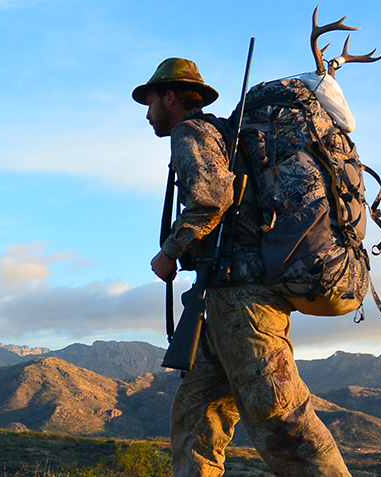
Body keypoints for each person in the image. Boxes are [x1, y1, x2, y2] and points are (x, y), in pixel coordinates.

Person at [133, 57, 350, 476]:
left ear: (171, 96)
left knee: (281, 417)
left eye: (151, 101)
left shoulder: (191, 131)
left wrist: (170, 252)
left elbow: (210, 199)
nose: (147, 113)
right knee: (196, 415)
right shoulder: (222, 133)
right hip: (223, 299)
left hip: (243, 300)